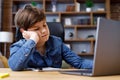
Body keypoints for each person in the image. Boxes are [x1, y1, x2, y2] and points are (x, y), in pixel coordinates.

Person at [8, 4, 93, 71]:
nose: (44, 30)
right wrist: (32, 40)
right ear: (24, 31)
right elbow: (14, 66)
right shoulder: (18, 46)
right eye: (37, 28)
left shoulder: (57, 43)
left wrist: (102, 65)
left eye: (44, 25)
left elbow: (80, 63)